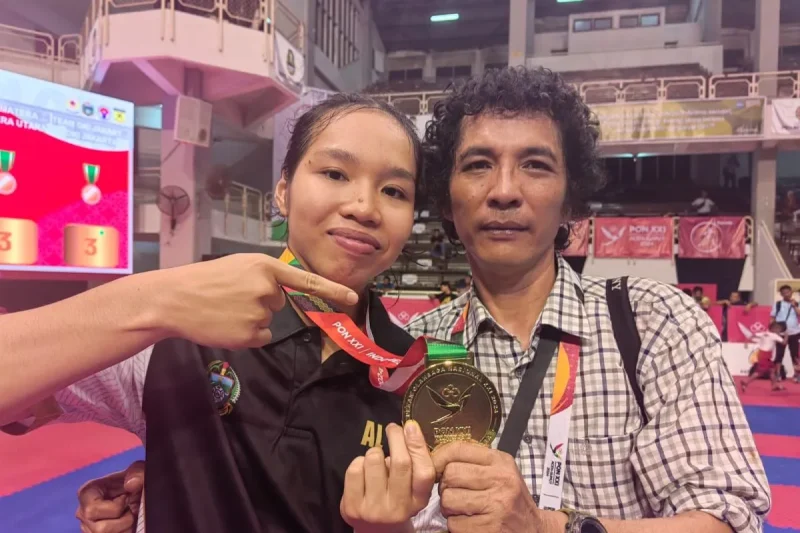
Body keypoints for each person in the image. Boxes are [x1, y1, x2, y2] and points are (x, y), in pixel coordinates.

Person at [80, 68, 771, 533]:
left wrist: (551, 526)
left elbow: (731, 517)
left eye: (535, 164)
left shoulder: (650, 323)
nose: (504, 190)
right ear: (445, 200)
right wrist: (176, 463)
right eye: (477, 165)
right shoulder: (406, 355)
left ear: (571, 198)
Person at [0, 93, 432, 533]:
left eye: (394, 190)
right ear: (283, 192)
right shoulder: (175, 332)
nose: (364, 207)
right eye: (335, 173)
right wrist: (157, 302)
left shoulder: (415, 374)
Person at [740, 322, 787, 393]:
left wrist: (746, 341)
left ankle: (774, 385)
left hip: (761, 354)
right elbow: (784, 343)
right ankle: (746, 382)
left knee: (771, 370)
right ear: (773, 329)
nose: (779, 330)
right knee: (759, 372)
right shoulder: (774, 335)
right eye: (778, 329)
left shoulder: (764, 333)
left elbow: (752, 335)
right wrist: (787, 336)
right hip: (766, 355)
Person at [771, 284, 800, 384]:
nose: (786, 294)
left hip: (794, 332)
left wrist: (795, 306)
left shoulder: (797, 303)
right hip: (781, 333)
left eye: (788, 292)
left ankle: (797, 374)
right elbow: (773, 317)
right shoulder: (778, 304)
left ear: (791, 292)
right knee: (779, 354)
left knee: (795, 354)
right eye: (784, 293)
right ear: (781, 294)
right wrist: (772, 329)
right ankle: (778, 374)